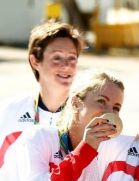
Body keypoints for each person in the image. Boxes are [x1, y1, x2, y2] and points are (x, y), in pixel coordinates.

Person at [0, 20, 84, 168]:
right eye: (57, 57)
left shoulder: (85, 115)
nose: (66, 65)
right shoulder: (10, 111)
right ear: (35, 61)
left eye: (72, 58)